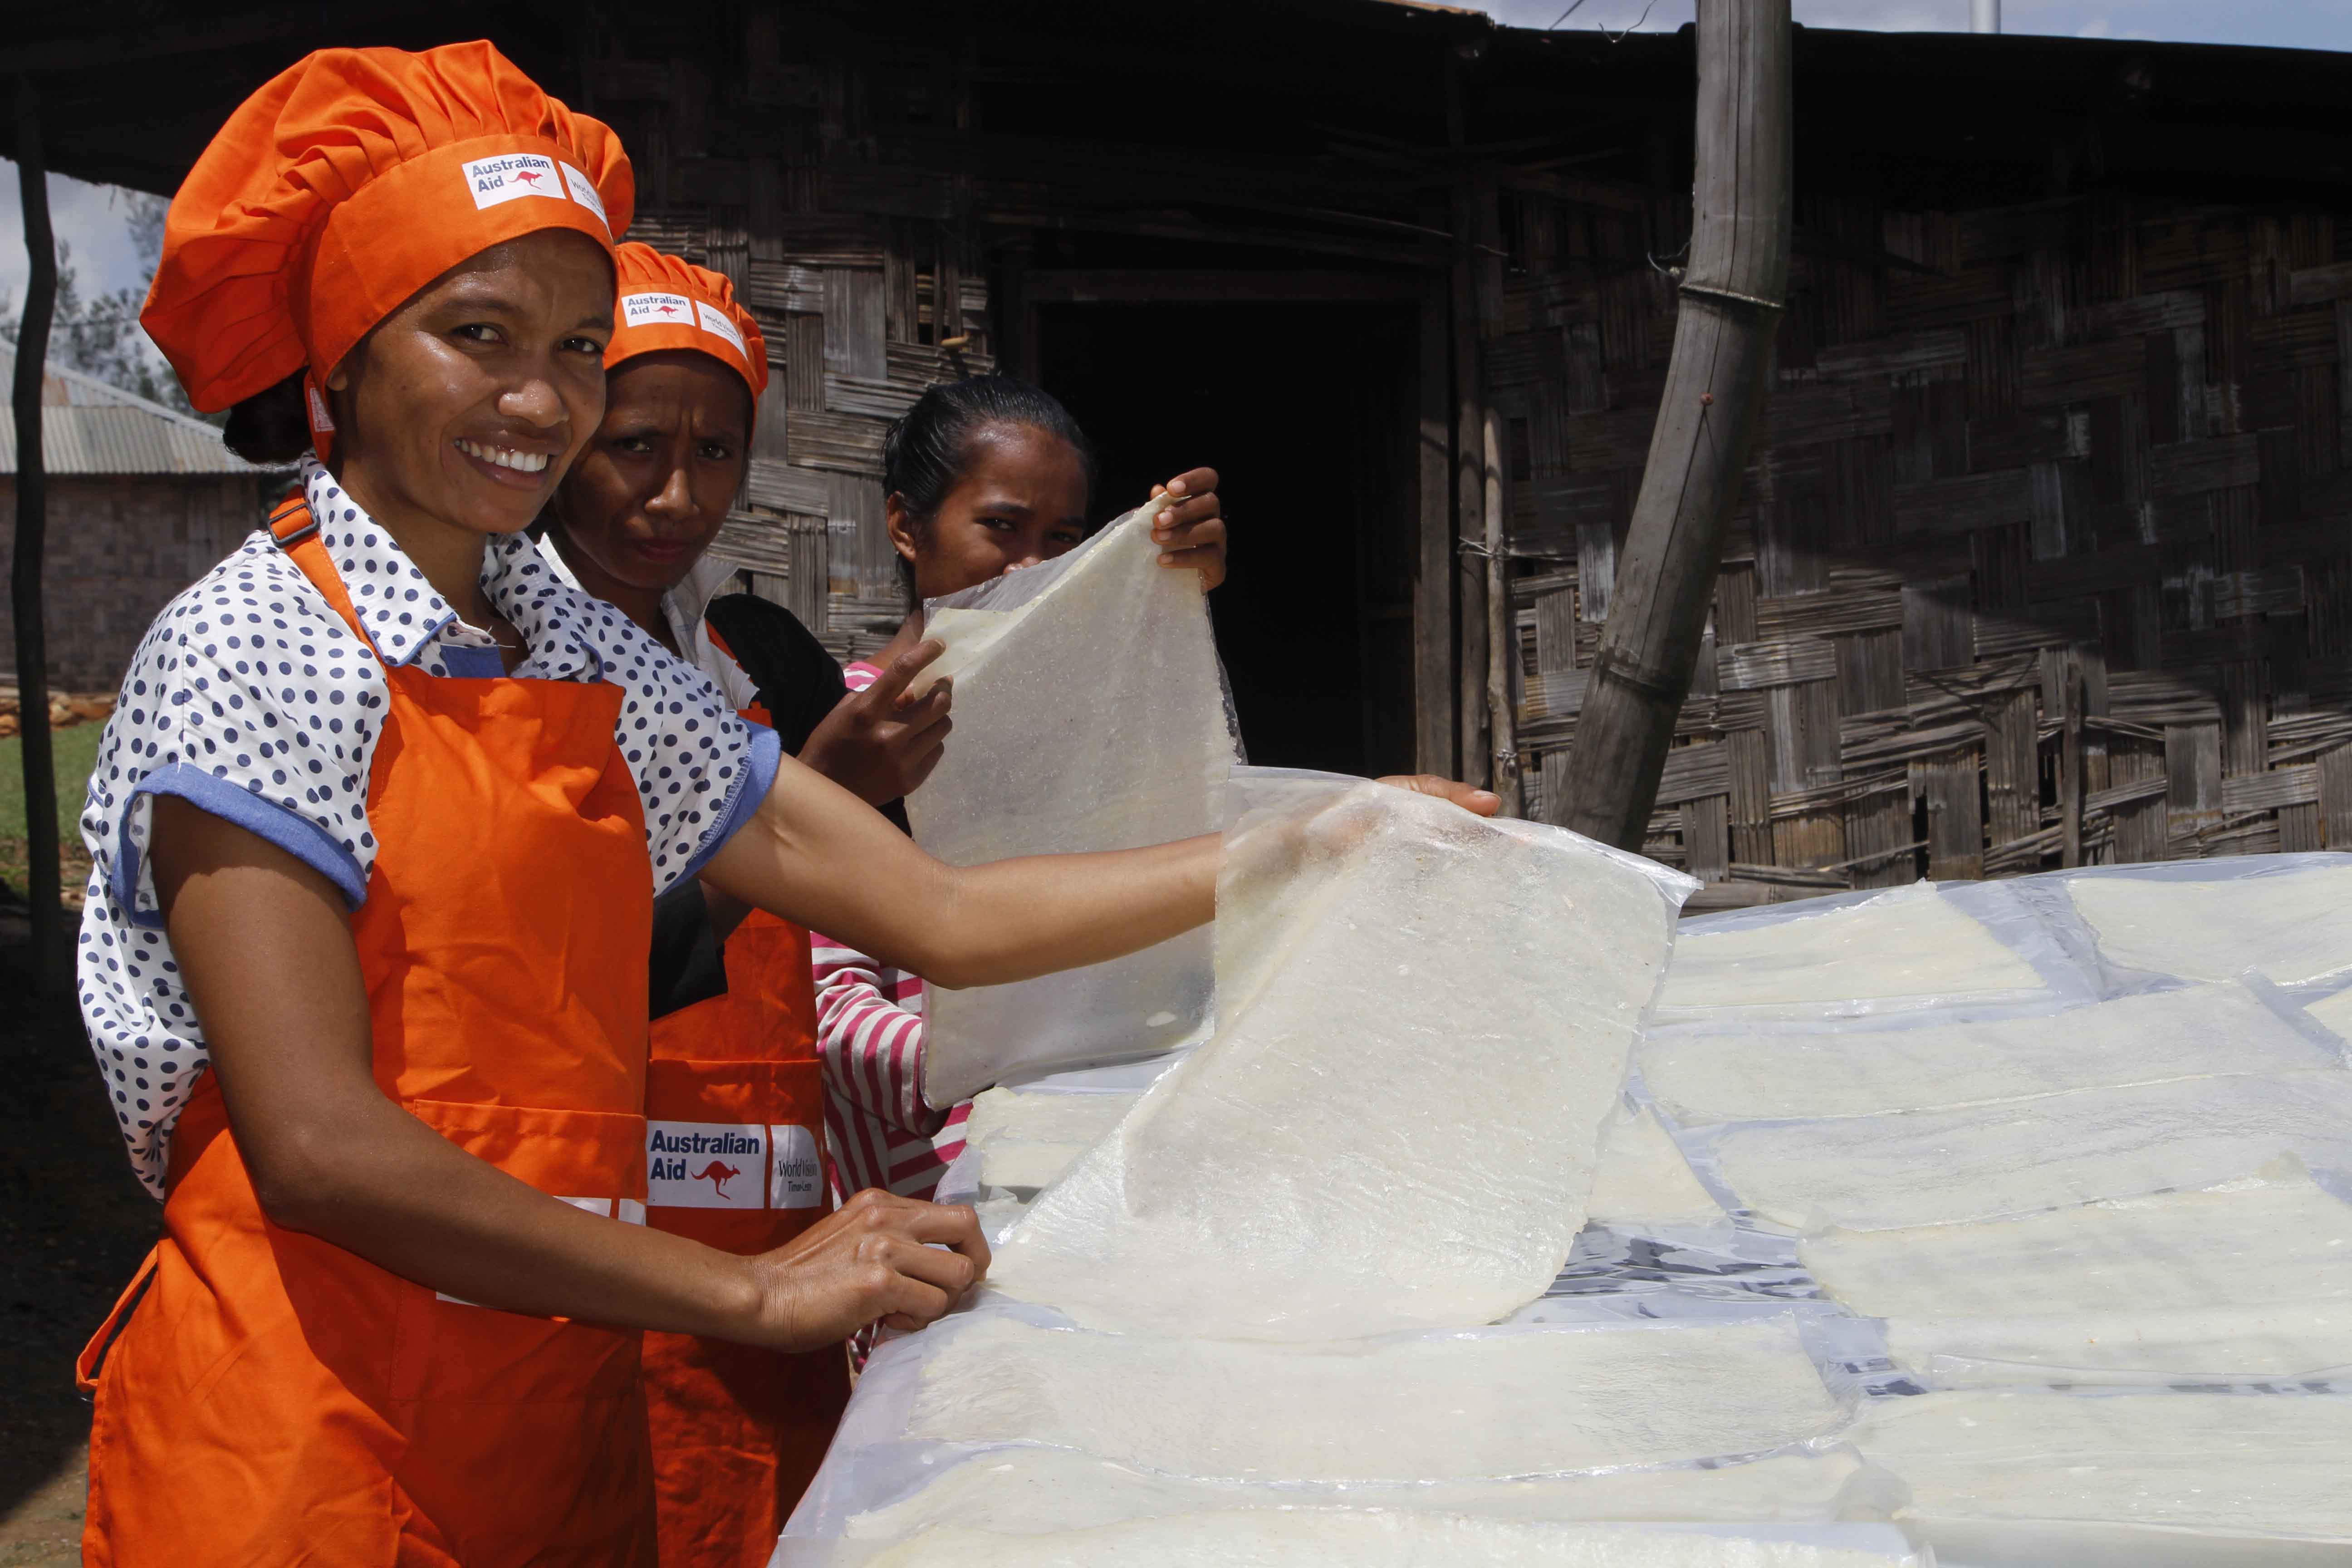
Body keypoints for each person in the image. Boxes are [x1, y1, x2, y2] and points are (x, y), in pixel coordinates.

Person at [71, 45, 1470, 1568]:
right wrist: (748, 1290)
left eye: (577, 346)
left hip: (551, 1412)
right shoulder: (256, 644)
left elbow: (938, 912)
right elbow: (321, 1143)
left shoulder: (581, 654)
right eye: (476, 335)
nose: (540, 399)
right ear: (342, 354)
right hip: (305, 1445)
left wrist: (1310, 840)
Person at [533, 240, 945, 1566]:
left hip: (785, 1225)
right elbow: (555, 959)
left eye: (716, 453)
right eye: (636, 443)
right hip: (588, 1239)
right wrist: (810, 790)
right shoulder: (493, 677)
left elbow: (900, 917)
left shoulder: (757, 658)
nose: (675, 494)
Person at [812, 377, 1230, 1208]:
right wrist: (1008, 1076)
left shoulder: (1097, 730)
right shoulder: (853, 731)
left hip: (1101, 1170)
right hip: (937, 1200)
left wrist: (1173, 603)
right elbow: (828, 1008)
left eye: (1065, 537)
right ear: (906, 525)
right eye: (1000, 527)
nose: (1034, 566)